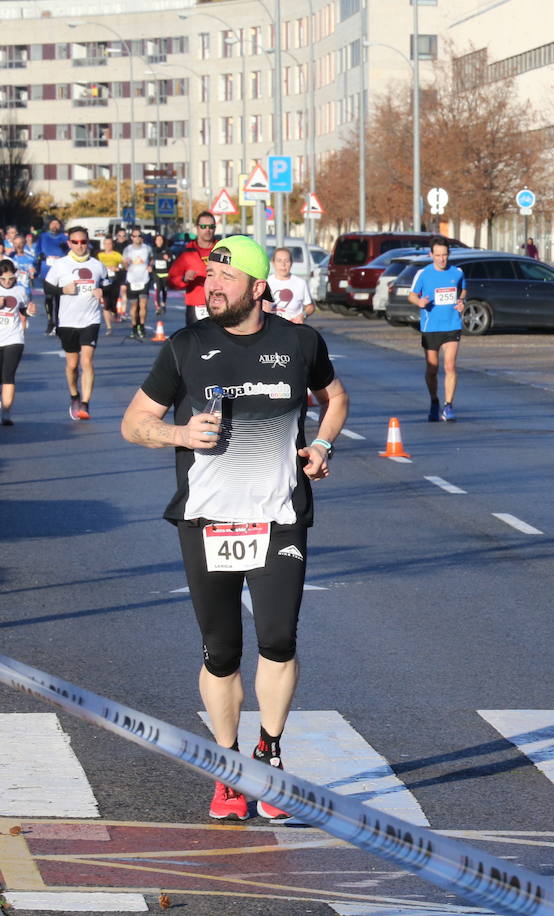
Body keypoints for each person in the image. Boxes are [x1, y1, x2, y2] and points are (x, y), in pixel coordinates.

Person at [120, 235, 349, 821]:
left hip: (279, 516)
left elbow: (335, 397)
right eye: (209, 277)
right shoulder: (186, 345)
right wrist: (177, 434)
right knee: (221, 652)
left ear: (258, 287)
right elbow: (134, 422)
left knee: (278, 639)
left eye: (225, 277)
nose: (213, 286)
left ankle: (268, 754)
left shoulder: (300, 342)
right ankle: (228, 769)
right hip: (207, 519)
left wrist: (323, 444)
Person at [46, 226, 108, 420]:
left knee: (86, 361)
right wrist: (62, 290)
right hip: (67, 321)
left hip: (91, 320)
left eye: (83, 242)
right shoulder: (60, 265)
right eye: (75, 242)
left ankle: (85, 404)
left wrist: (102, 292)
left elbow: (108, 286)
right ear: (69, 243)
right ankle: (74, 396)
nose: (80, 246)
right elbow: (47, 287)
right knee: (72, 365)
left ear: (88, 242)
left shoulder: (98, 265)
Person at [407, 237, 466, 422]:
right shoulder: (423, 273)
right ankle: (434, 401)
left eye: (445, 255)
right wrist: (419, 302)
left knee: (450, 366)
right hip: (430, 327)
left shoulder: (457, 272)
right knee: (432, 368)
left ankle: (448, 406)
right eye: (438, 255)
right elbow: (411, 295)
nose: (442, 259)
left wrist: (461, 301)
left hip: (452, 324)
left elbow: (463, 290)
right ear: (431, 254)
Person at [0, 259, 36, 426]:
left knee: (8, 376)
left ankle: (6, 413)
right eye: (3, 279)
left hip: (14, 338)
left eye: (10, 278)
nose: (7, 282)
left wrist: (30, 311)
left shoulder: (20, 290)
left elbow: (23, 310)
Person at [168, 212, 217, 325]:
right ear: (197, 228)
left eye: (211, 226)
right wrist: (184, 279)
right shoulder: (187, 253)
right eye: (203, 226)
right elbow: (171, 280)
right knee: (196, 336)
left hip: (220, 305)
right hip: (196, 306)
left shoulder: (223, 250)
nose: (208, 230)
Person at [264, 247, 315, 324]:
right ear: (273, 263)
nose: (283, 265)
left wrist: (303, 315)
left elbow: (310, 307)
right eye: (279, 261)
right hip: (271, 326)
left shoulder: (300, 283)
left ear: (291, 263)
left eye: (287, 261)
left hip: (292, 327)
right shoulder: (266, 283)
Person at [35, 218, 68, 334]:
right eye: (52, 224)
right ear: (49, 225)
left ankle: (58, 322)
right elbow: (37, 251)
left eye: (57, 224)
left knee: (59, 298)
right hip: (47, 270)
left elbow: (69, 251)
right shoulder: (43, 236)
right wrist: (43, 257)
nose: (54, 226)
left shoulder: (64, 237)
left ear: (60, 226)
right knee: (49, 297)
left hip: (61, 271)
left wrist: (63, 254)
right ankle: (50, 321)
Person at [122, 227, 154, 339]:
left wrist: (150, 266)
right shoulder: (128, 249)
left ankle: (142, 326)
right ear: (131, 237)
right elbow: (124, 264)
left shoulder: (147, 248)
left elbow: (152, 259)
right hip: (132, 280)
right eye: (135, 236)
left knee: (143, 305)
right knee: (134, 306)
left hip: (144, 279)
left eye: (139, 236)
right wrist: (126, 263)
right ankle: (134, 327)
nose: (137, 238)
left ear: (142, 237)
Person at [96, 237, 124, 335]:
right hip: (103, 282)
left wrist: (117, 268)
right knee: (106, 304)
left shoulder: (117, 255)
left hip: (114, 281)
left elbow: (123, 264)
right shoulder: (99, 255)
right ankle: (109, 327)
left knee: (113, 303)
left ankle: (115, 312)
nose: (107, 245)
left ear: (112, 245)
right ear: (103, 245)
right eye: (106, 244)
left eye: (109, 243)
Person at [150, 232, 172, 316]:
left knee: (164, 290)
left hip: (165, 273)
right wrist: (150, 264)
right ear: (155, 241)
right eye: (157, 240)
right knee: (157, 289)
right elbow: (151, 260)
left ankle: (163, 303)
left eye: (160, 240)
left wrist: (168, 259)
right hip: (156, 273)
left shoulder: (167, 250)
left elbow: (172, 260)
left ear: (163, 241)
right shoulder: (153, 250)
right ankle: (158, 307)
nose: (159, 241)